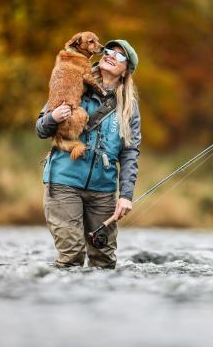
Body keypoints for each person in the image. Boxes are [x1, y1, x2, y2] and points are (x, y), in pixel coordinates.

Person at [36, 39, 141, 269]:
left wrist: (126, 195)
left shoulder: (129, 106)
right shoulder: (72, 78)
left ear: (126, 71)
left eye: (120, 56)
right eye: (110, 51)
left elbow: (130, 152)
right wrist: (53, 118)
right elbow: (41, 129)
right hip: (63, 183)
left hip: (103, 192)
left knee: (104, 262)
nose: (111, 55)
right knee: (72, 257)